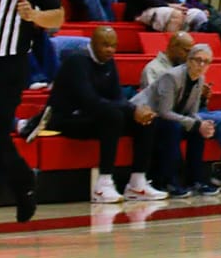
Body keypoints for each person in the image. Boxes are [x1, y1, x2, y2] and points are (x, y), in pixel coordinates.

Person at [48, 23, 164, 203]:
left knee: (146, 119)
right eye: (105, 45)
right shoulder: (77, 61)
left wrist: (136, 111)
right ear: (93, 43)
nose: (111, 50)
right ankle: (103, 185)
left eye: (114, 46)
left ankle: (137, 182)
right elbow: (89, 100)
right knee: (113, 116)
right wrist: (130, 109)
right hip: (66, 119)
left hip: (95, 116)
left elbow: (118, 97)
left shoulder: (109, 62)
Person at [0, 0, 64, 222]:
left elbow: (58, 16)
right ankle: (24, 182)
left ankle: (24, 184)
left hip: (9, 64)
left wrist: (33, 16)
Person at [135, 41, 221, 196]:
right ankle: (171, 181)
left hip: (175, 116)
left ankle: (200, 179)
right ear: (189, 60)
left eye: (206, 62)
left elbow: (192, 111)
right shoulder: (171, 76)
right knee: (185, 126)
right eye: (198, 60)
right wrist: (196, 122)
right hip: (145, 116)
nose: (201, 65)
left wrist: (201, 123)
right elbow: (165, 112)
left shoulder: (200, 79)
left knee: (202, 127)